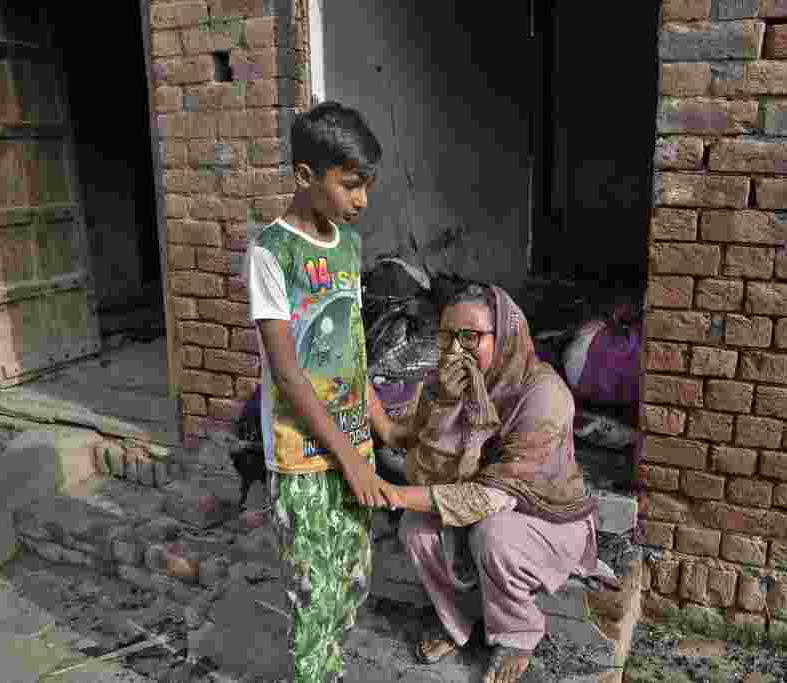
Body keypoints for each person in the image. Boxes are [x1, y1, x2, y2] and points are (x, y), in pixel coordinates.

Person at [245, 101, 408, 682]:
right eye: (352, 185)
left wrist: (382, 424)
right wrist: (351, 462)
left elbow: (352, 347)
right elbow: (288, 373)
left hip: (354, 445)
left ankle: (329, 668)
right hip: (302, 454)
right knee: (311, 594)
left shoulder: (346, 246)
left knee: (352, 579)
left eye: (367, 186)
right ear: (305, 177)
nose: (363, 200)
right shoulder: (272, 253)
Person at [385, 282, 620, 683]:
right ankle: (460, 619)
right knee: (415, 529)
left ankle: (518, 632)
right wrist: (445, 408)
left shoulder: (544, 394)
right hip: (477, 505)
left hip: (546, 517)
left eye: (470, 337)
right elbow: (423, 471)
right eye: (447, 337)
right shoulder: (444, 384)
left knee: (493, 535)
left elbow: (490, 498)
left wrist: (394, 494)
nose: (456, 351)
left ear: (506, 336)